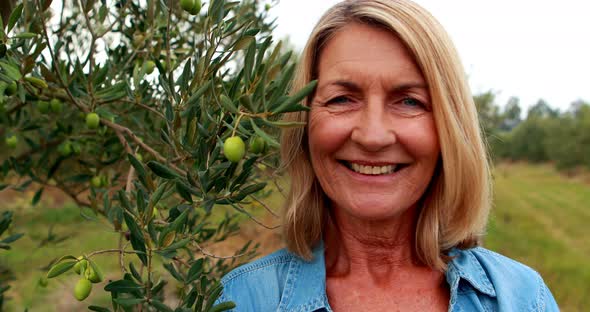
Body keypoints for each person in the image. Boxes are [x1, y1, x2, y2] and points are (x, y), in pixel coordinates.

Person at [216, 0, 559, 311]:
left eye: (409, 101)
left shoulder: (523, 299)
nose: (373, 136)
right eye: (341, 99)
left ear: (448, 130)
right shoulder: (243, 300)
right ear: (304, 124)